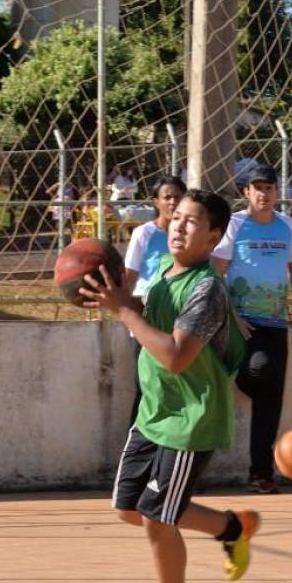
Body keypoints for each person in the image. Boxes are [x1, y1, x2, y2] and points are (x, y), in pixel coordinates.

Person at [79, 189, 259, 583]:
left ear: (214, 237)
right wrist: (116, 298)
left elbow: (177, 356)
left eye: (192, 221)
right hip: (154, 411)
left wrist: (125, 313)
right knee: (129, 508)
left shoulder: (207, 289)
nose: (179, 225)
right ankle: (231, 527)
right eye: (176, 216)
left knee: (158, 516)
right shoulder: (163, 270)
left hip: (190, 417)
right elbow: (152, 318)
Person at [211, 163, 292, 494]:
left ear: (276, 192)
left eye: (269, 187)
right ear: (246, 192)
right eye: (257, 188)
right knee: (259, 371)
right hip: (243, 323)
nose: (264, 194)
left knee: (271, 399)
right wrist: (231, 316)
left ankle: (261, 473)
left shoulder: (286, 225)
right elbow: (216, 272)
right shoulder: (235, 224)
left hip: (277, 322)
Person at [123, 175, 187, 422]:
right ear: (156, 202)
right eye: (167, 197)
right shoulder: (145, 233)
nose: (172, 202)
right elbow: (130, 276)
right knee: (146, 386)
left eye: (178, 197)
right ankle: (137, 438)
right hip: (149, 320)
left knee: (177, 388)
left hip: (180, 322)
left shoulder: (188, 234)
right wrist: (128, 315)